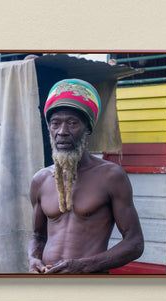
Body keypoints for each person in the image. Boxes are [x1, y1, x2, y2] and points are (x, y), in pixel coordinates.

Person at [28, 78, 144, 274]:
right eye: (55, 123)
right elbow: (38, 236)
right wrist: (33, 259)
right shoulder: (40, 179)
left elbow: (134, 243)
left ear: (88, 128)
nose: (62, 132)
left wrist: (82, 266)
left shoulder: (111, 176)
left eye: (72, 123)